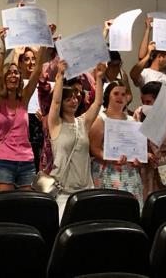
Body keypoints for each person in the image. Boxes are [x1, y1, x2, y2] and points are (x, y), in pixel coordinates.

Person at [47, 61, 103, 217]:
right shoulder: (55, 124)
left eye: (75, 97)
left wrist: (98, 77)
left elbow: (98, 103)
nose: (74, 101)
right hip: (63, 192)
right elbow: (56, 101)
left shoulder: (83, 122)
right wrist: (60, 75)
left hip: (86, 190)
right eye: (68, 99)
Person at [0, 45, 47, 192]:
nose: (13, 75)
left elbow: (37, 71)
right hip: (3, 160)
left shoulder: (24, 99)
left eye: (16, 73)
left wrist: (43, 47)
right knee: (3, 206)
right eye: (9, 73)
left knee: (26, 207)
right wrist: (3, 46)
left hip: (26, 160)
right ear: (4, 77)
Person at [89, 80, 144, 204]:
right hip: (107, 172)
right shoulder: (100, 119)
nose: (120, 97)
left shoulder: (132, 121)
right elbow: (94, 148)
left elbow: (137, 149)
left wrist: (138, 160)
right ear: (108, 95)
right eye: (116, 93)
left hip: (129, 173)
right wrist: (110, 159)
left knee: (131, 209)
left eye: (123, 94)